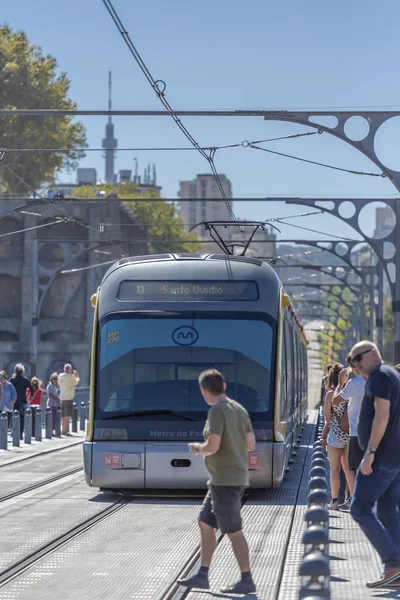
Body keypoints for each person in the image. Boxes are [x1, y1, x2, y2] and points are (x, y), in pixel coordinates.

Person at [176, 369, 256, 594]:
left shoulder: (217, 411)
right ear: (224, 387)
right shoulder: (238, 409)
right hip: (225, 479)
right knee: (205, 522)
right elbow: (250, 444)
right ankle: (202, 575)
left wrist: (196, 448)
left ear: (204, 391)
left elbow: (212, 447)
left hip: (226, 481)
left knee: (233, 530)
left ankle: (247, 579)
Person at [349, 341, 400, 589]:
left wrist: (370, 452)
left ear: (372, 354)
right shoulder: (391, 374)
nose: (355, 366)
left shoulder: (379, 376)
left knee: (359, 507)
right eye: (351, 362)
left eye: (357, 359)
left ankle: (393, 563)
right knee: (387, 509)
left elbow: (382, 415)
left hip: (380, 456)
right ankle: (396, 569)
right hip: (394, 455)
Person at [320, 362, 355, 510]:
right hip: (351, 433)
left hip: (335, 435)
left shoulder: (330, 395)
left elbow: (328, 418)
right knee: (349, 469)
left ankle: (334, 501)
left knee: (335, 469)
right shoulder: (351, 392)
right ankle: (353, 500)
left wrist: (323, 435)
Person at [333, 355, 366, 484]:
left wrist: (341, 383)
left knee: (355, 470)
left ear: (353, 367)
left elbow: (335, 401)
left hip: (357, 434)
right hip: (375, 434)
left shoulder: (353, 384)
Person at [9, 364, 33, 436]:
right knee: (22, 417)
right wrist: (30, 397)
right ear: (22, 371)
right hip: (23, 400)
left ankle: (14, 431)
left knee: (14, 416)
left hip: (14, 401)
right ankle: (21, 433)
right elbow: (32, 389)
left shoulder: (12, 380)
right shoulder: (25, 380)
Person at [58, 364, 80, 436]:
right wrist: (76, 375)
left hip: (62, 397)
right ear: (69, 370)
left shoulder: (60, 376)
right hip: (68, 398)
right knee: (67, 416)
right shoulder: (71, 377)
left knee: (63, 415)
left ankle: (63, 430)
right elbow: (77, 381)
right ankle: (63, 431)